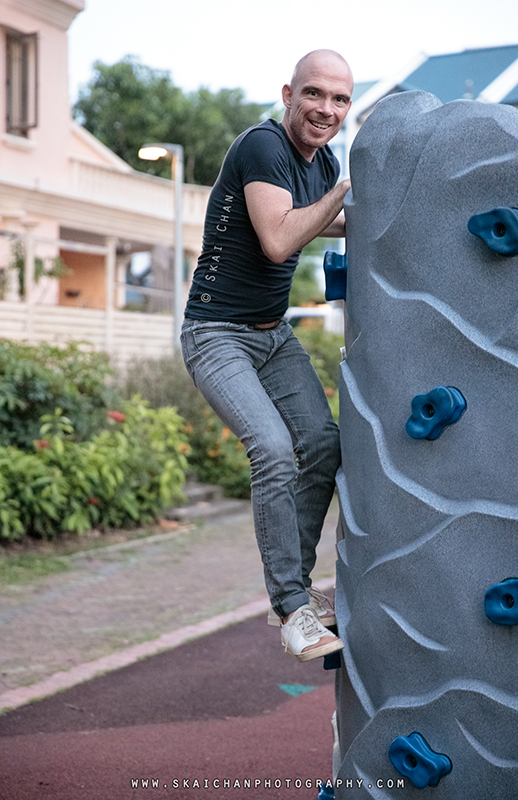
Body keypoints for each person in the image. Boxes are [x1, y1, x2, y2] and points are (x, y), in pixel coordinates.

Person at [181, 50, 353, 661]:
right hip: (216, 334)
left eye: (339, 100)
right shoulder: (263, 147)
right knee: (275, 452)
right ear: (288, 94)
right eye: (314, 94)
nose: (325, 110)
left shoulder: (323, 160)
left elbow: (326, 223)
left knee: (324, 444)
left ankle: (299, 593)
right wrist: (348, 192)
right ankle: (289, 606)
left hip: (271, 334)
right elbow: (280, 239)